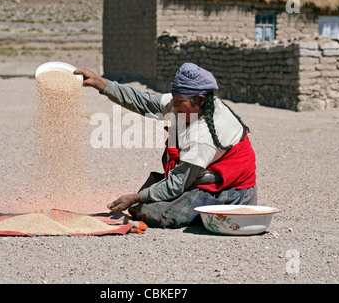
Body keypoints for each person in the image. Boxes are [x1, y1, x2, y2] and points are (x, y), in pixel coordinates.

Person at [74, 63, 257, 228]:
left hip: (228, 190)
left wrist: (134, 197)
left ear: (200, 100)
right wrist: (101, 83)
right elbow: (142, 101)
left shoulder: (205, 135)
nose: (174, 107)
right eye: (174, 101)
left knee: (149, 211)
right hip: (192, 177)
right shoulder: (186, 103)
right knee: (143, 204)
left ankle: (223, 210)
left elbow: (177, 184)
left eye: (179, 103)